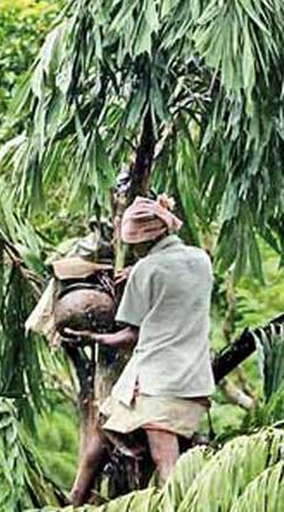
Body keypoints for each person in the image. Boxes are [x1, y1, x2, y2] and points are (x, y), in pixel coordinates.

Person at [62, 195, 215, 505]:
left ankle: (170, 507)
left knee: (164, 462)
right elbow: (173, 287)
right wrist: (137, 271)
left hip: (156, 381)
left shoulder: (146, 271)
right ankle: (75, 499)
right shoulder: (201, 259)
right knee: (103, 433)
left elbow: (130, 334)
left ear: (145, 240)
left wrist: (96, 337)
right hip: (194, 377)